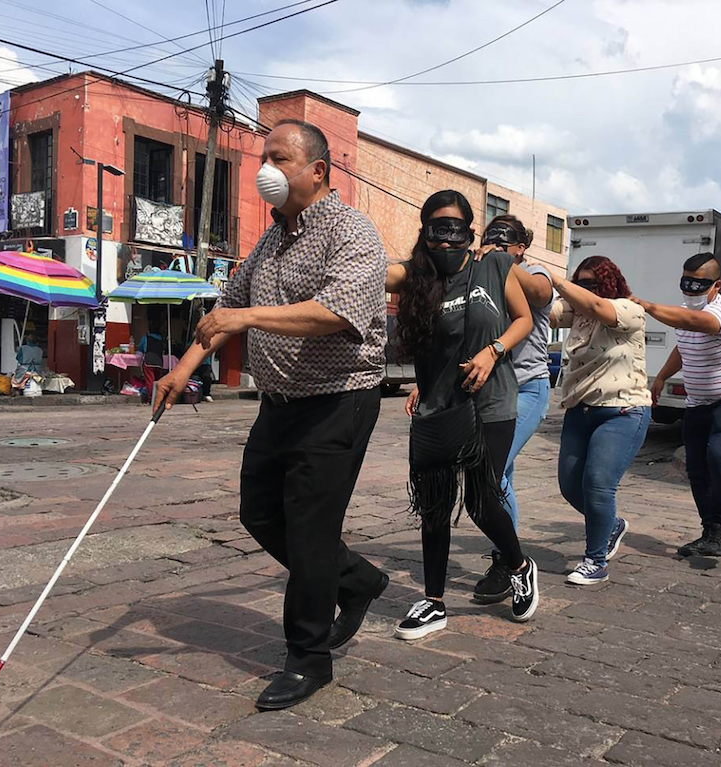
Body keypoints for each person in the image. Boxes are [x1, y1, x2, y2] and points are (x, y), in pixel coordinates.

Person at [154, 120, 390, 710]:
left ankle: (308, 658)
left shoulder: (352, 233)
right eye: (264, 157)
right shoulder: (269, 240)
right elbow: (226, 309)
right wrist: (184, 368)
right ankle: (357, 580)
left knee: (309, 529)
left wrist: (249, 319)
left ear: (317, 170)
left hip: (339, 400)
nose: (266, 169)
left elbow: (336, 313)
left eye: (279, 158)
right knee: (258, 511)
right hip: (279, 402)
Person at [385, 189, 538, 641]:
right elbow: (378, 279)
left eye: (456, 230)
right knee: (433, 504)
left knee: (480, 499)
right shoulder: (416, 278)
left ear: (470, 232)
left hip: (492, 403)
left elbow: (523, 319)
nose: (447, 240)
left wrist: (494, 352)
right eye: (437, 230)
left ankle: (519, 565)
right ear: (425, 233)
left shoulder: (494, 267)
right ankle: (433, 601)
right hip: (438, 405)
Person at [635, 252, 721, 558]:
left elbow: (696, 322)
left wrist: (647, 306)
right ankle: (710, 532)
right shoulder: (685, 313)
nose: (690, 289)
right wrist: (662, 376)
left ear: (716, 285)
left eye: (698, 284)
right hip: (698, 401)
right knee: (696, 466)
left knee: (719, 455)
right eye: (685, 282)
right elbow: (684, 341)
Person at [470, 215, 554, 604]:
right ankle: (507, 555)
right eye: (491, 239)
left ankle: (509, 561)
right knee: (501, 476)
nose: (496, 247)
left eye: (506, 243)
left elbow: (539, 293)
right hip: (488, 390)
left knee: (492, 473)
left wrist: (499, 263)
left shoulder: (533, 272)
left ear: (521, 248)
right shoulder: (481, 274)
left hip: (527, 388)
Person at [551, 257, 650, 585]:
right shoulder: (576, 314)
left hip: (622, 411)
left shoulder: (628, 309)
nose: (584, 289)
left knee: (597, 483)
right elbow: (542, 307)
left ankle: (594, 561)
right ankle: (612, 525)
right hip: (580, 410)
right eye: (580, 281)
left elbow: (597, 307)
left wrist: (558, 281)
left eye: (591, 282)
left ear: (609, 283)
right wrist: (515, 271)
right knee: (569, 486)